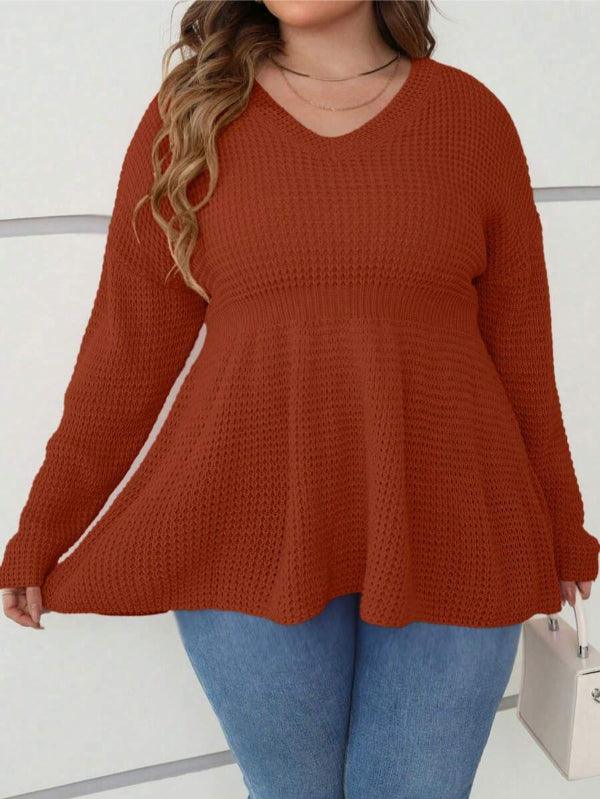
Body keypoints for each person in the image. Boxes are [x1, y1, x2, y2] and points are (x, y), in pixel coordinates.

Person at [2, 2, 598, 796]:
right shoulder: (193, 117)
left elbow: (522, 351)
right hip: (245, 520)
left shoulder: (470, 116)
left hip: (456, 514)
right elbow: (126, 353)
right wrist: (45, 525)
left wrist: (563, 524)